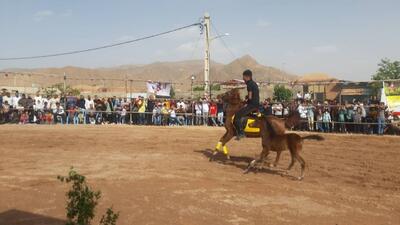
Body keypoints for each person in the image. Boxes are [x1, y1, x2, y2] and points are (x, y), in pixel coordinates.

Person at [234, 69, 259, 140]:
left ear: (247, 77)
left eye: (243, 77)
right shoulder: (254, 83)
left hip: (252, 105)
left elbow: (250, 97)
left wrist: (246, 102)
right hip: (256, 104)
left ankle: (241, 133)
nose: (243, 79)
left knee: (237, 116)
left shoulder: (249, 84)